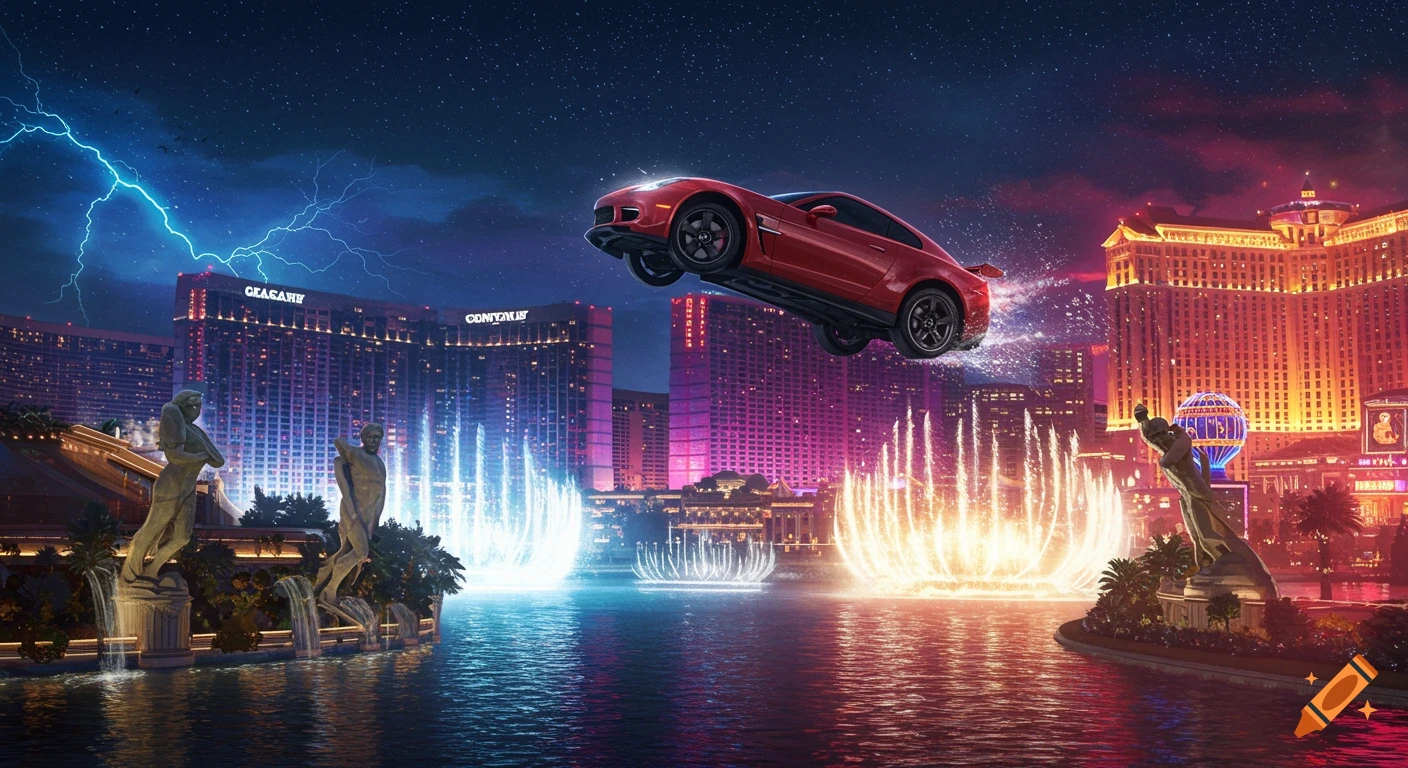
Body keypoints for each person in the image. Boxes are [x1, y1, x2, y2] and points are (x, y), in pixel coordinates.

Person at [121, 390, 225, 584]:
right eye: (191, 405)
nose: (195, 410)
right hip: (171, 484)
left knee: (182, 537)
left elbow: (219, 461)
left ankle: (152, 570)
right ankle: (131, 573)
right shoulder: (173, 417)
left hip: (188, 487)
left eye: (198, 406)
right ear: (181, 406)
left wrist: (202, 454)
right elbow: (175, 456)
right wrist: (203, 456)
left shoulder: (196, 431)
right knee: (153, 528)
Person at [313, 423, 386, 606]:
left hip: (367, 516)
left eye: (377, 437)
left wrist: (375, 521)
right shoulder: (356, 454)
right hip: (351, 511)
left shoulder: (379, 463)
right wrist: (352, 511)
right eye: (370, 436)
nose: (373, 440)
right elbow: (338, 442)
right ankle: (330, 591)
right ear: (363, 438)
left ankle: (321, 579)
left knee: (346, 551)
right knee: (362, 551)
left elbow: (381, 493)